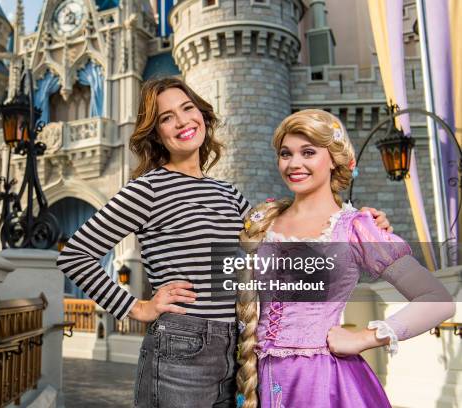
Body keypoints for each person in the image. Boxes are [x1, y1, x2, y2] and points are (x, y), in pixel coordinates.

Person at [57, 78, 391, 407]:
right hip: (180, 350)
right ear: (157, 133)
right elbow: (76, 256)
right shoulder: (149, 189)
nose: (182, 121)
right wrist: (138, 308)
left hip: (237, 351)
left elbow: (277, 241)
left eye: (187, 108)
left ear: (202, 114)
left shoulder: (228, 194)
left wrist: (355, 222)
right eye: (166, 117)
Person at [236, 109, 455, 408]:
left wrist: (365, 337)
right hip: (256, 378)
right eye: (286, 154)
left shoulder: (356, 228)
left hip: (323, 385)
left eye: (308, 152)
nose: (294, 163)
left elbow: (437, 298)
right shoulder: (263, 221)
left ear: (334, 160)